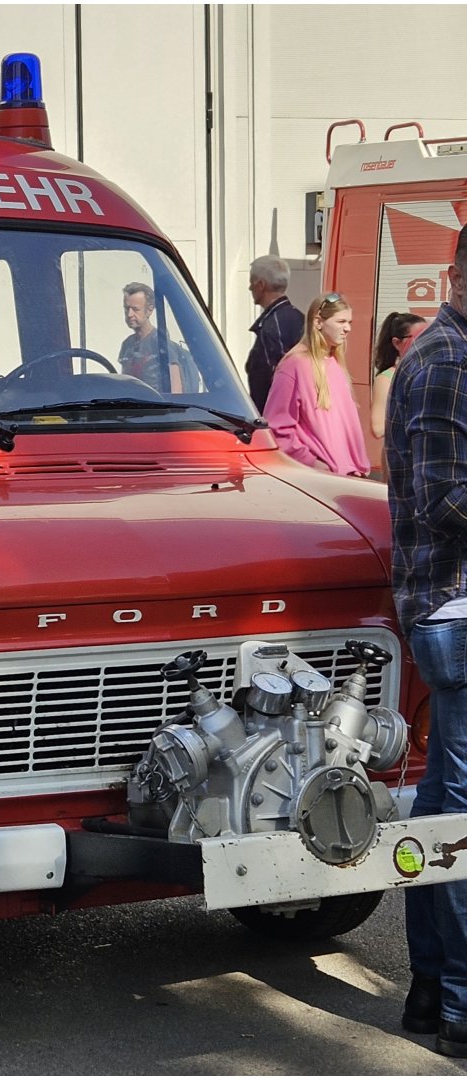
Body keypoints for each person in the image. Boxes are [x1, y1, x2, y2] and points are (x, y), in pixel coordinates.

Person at [386, 223, 467, 1058]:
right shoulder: (447, 361)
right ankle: (457, 1001)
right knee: (460, 810)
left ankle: (429, 989)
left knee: (445, 805)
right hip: (454, 605)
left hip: (448, 606)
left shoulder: (444, 351)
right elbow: (447, 501)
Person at [261, 291, 370, 476]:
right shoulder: (294, 364)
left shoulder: (334, 362)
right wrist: (314, 464)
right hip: (324, 479)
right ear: (318, 322)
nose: (348, 329)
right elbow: (277, 428)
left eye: (349, 322)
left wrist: (359, 466)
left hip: (351, 476)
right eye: (341, 322)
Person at [244, 255, 305, 412]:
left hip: (276, 419)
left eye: (252, 282)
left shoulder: (271, 327)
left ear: (261, 285)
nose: (249, 288)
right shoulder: (301, 318)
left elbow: (277, 380)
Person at [117, 282, 196, 392]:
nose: (129, 314)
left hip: (155, 407)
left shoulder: (160, 343)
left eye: (135, 309)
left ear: (149, 310)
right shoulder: (127, 344)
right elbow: (123, 385)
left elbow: (176, 390)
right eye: (127, 308)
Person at [370, 311, 427, 439]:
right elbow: (377, 428)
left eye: (428, 335)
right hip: (401, 455)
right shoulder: (386, 379)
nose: (426, 342)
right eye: (419, 337)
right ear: (397, 343)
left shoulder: (428, 373)